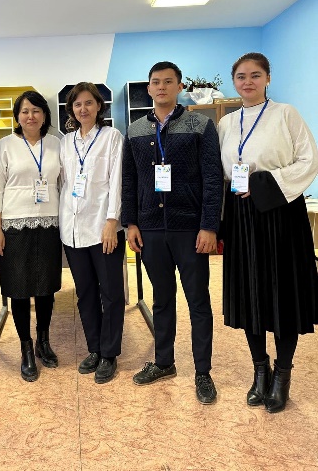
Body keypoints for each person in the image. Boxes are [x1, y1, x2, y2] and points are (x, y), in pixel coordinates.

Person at [218, 52, 318, 413]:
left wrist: (263, 185)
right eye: (241, 76)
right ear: (234, 81)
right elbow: (221, 170)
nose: (248, 82)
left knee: (282, 294)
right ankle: (260, 370)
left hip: (280, 214)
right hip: (241, 217)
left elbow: (309, 160)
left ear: (268, 78)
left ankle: (283, 374)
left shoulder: (286, 114)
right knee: (251, 294)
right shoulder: (226, 123)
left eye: (255, 75)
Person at [122, 61, 223, 404]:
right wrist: (131, 223)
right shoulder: (135, 130)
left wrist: (209, 226)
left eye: (168, 82)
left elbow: (212, 178)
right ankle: (164, 362)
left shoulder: (201, 125)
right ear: (149, 88)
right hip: (150, 228)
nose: (161, 87)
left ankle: (203, 372)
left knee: (198, 301)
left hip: (190, 228)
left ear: (180, 87)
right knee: (162, 299)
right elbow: (129, 180)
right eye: (156, 82)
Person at [0, 90, 61, 382]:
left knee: (46, 287)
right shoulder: (5, 146)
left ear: (44, 114)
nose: (30, 116)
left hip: (50, 222)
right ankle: (26, 347)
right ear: (17, 117)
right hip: (14, 226)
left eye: (36, 110)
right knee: (19, 288)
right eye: (24, 111)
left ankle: (43, 340)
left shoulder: (56, 143)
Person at [60, 82, 125, 384]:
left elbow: (117, 181)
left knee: (110, 293)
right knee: (85, 292)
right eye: (77, 104)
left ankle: (110, 354)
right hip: (72, 230)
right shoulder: (66, 142)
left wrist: (112, 221)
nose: (83, 109)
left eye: (88, 103)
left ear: (99, 106)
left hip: (103, 228)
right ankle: (95, 348)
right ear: (71, 110)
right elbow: (63, 183)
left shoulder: (112, 137)